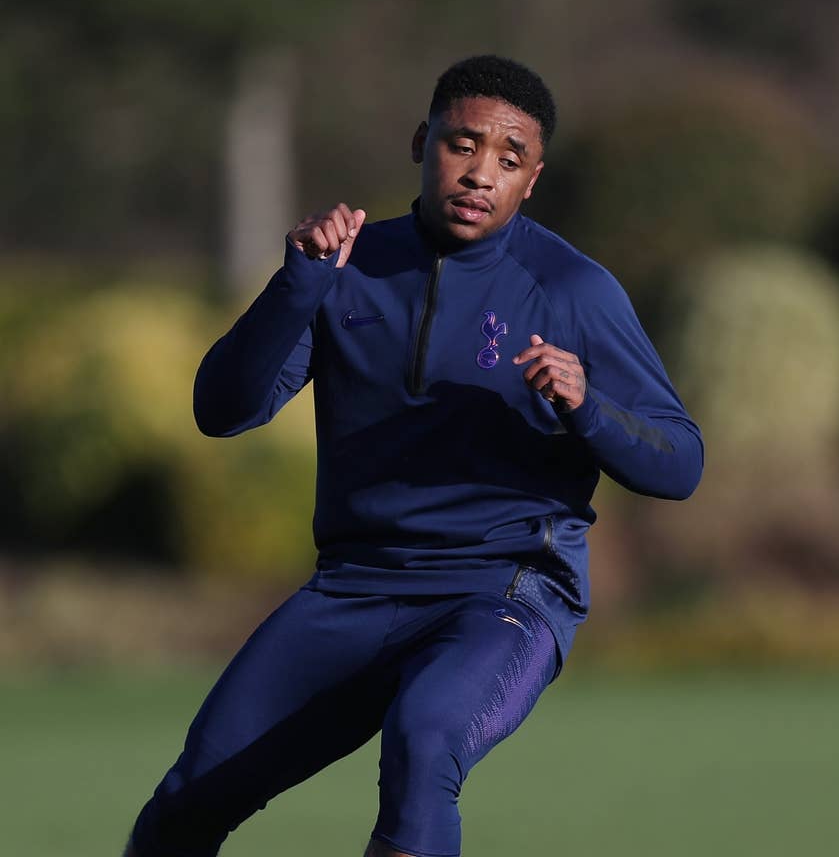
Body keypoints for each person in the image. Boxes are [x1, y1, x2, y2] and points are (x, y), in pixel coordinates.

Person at [125, 54, 703, 857]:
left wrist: (585, 406)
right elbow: (222, 411)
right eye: (463, 145)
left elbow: (680, 462)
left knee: (424, 739)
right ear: (420, 143)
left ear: (532, 180)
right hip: (353, 589)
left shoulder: (573, 289)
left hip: (503, 592)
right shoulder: (348, 268)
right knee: (185, 804)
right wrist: (299, 285)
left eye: (510, 159)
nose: (480, 173)